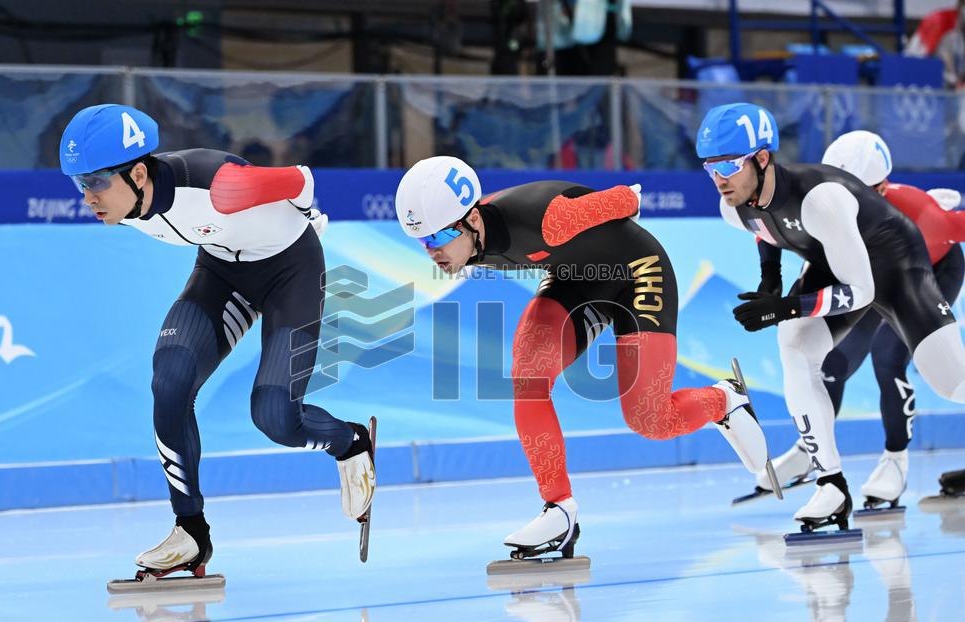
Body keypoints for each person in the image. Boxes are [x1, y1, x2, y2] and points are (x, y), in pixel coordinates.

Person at [394, 155, 771, 562]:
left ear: (471, 220)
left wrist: (595, 212)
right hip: (575, 279)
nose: (431, 251)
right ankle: (559, 510)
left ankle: (723, 400)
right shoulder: (467, 240)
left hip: (638, 272)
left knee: (650, 419)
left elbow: (628, 199)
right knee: (528, 375)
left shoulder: (544, 221)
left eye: (437, 238)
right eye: (422, 242)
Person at [60, 104, 376, 587]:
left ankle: (350, 443)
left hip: (290, 271)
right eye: (78, 184)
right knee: (169, 382)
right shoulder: (122, 206)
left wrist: (306, 216)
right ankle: (190, 530)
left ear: (138, 173)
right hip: (223, 272)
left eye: (95, 182)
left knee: (275, 417)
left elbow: (303, 179)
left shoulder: (216, 184)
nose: (87, 197)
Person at [696, 103, 965, 534]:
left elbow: (863, 292)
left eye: (728, 165)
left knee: (952, 384)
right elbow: (762, 228)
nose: (719, 179)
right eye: (710, 167)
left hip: (896, 269)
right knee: (795, 345)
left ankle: (891, 458)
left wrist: (784, 306)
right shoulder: (734, 204)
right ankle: (831, 484)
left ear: (762, 158)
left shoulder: (821, 199)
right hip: (836, 262)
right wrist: (770, 279)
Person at [753, 131, 965, 511]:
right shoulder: (820, 204)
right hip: (863, 281)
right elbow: (768, 222)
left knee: (888, 356)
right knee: (829, 361)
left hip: (921, 274)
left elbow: (957, 224)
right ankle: (811, 451)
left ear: (881, 190)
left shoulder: (924, 216)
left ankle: (895, 460)